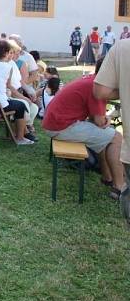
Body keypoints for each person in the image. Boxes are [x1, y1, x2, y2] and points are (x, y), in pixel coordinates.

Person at [44, 62, 126, 200]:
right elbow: (99, 121)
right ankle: (119, 187)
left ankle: (107, 177)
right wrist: (109, 119)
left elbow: (95, 120)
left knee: (104, 136)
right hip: (61, 126)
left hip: (55, 123)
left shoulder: (91, 80)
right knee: (116, 138)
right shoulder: (97, 88)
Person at [93, 40, 130, 222]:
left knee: (111, 137)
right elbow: (98, 119)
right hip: (61, 127)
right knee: (113, 137)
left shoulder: (123, 47)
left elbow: (100, 92)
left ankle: (112, 181)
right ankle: (115, 183)